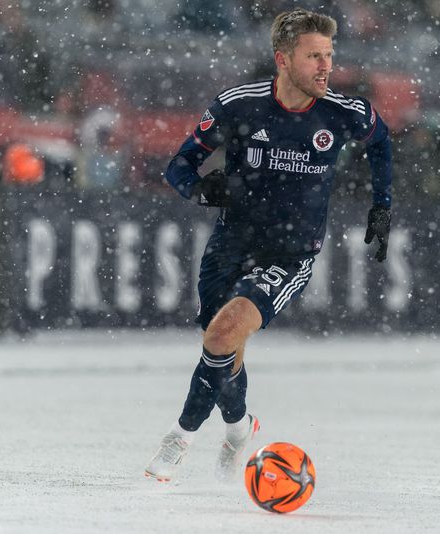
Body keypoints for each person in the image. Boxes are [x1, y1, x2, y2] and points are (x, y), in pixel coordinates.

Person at [145, 8, 393, 483]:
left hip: (290, 253)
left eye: (329, 55)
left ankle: (180, 437)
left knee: (222, 335)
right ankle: (239, 428)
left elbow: (381, 142)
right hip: (230, 245)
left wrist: (382, 205)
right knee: (225, 349)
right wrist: (199, 189)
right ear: (283, 59)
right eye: (313, 56)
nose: (326, 66)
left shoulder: (344, 111)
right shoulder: (238, 105)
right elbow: (179, 165)